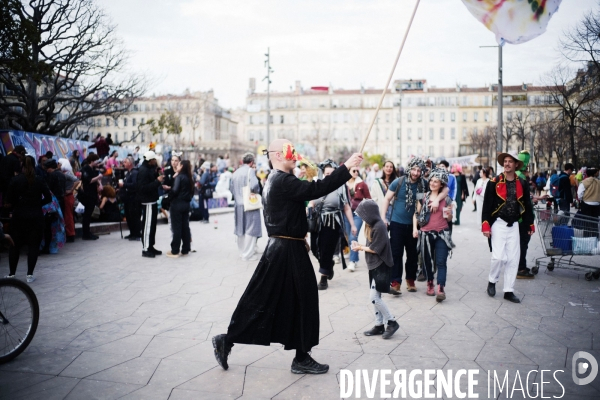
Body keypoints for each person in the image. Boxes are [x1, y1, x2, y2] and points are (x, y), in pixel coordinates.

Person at [212, 139, 363, 375]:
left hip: (283, 247)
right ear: (277, 156)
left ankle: (231, 341)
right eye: (290, 152)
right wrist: (346, 168)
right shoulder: (283, 180)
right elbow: (316, 189)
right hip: (285, 250)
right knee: (300, 300)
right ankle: (299, 356)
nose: (295, 157)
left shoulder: (274, 179)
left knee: (268, 299)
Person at [380, 157, 448, 294]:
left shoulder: (423, 184)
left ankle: (410, 280)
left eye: (419, 170)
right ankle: (396, 282)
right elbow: (387, 199)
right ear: (409, 168)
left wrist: (438, 200)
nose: (416, 173)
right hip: (397, 223)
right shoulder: (398, 182)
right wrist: (383, 218)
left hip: (415, 225)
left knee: (412, 254)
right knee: (396, 253)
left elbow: (444, 188)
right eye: (414, 169)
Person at [482, 152, 534, 304]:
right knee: (498, 257)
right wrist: (485, 224)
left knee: (513, 259)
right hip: (498, 222)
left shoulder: (522, 183)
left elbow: (527, 205)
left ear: (516, 164)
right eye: (505, 161)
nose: (507, 164)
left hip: (515, 224)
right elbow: (487, 205)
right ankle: (492, 281)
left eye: (510, 161)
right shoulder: (494, 182)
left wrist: (529, 224)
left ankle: (508, 291)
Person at [352, 199, 399, 339]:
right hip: (374, 265)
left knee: (374, 298)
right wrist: (359, 244)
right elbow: (371, 246)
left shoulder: (379, 226)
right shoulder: (370, 225)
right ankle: (379, 325)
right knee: (376, 297)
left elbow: (375, 249)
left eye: (363, 215)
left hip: (381, 265)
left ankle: (392, 321)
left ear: (370, 214)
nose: (361, 218)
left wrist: (359, 247)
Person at [5, 156, 52, 282]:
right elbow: (48, 198)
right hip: (36, 217)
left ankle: (11, 274)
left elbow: (9, 200)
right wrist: (37, 204)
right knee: (33, 246)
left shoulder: (15, 180)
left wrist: (17, 205)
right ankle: (30, 274)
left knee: (14, 245)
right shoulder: (39, 180)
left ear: (22, 165)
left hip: (19, 216)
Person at [312, 160, 357, 290]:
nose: (329, 176)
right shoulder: (317, 184)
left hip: (332, 221)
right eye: (327, 174)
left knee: (326, 249)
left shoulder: (341, 186)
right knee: (315, 248)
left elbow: (347, 207)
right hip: (317, 221)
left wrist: (352, 225)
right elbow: (311, 202)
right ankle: (328, 265)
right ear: (322, 173)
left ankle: (323, 277)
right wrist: (308, 210)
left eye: (332, 173)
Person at [413, 168, 454, 301]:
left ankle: (440, 288)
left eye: (436, 181)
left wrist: (449, 213)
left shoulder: (447, 199)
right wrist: (415, 228)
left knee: (441, 261)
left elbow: (449, 220)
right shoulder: (422, 197)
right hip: (425, 233)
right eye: (431, 180)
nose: (433, 183)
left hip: (442, 233)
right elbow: (416, 214)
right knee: (427, 262)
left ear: (441, 184)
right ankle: (430, 283)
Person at [231, 153, 262, 261]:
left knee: (240, 229)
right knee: (251, 228)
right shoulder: (250, 171)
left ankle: (241, 252)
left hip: (238, 204)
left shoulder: (235, 173)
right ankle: (247, 254)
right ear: (252, 162)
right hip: (249, 204)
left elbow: (231, 188)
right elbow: (254, 186)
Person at [137, 151, 164, 258]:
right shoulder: (143, 170)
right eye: (154, 160)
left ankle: (150, 246)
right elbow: (143, 188)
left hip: (152, 200)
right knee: (148, 225)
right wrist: (157, 181)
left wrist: (157, 174)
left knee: (152, 225)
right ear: (150, 160)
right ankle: (146, 248)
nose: (155, 162)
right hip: (147, 201)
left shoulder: (148, 168)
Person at [165, 160, 194, 257]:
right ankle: (186, 248)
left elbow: (175, 190)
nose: (177, 165)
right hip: (186, 204)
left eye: (179, 164)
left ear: (182, 166)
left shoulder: (179, 177)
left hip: (177, 205)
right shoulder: (189, 178)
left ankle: (175, 249)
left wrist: (169, 197)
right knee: (185, 227)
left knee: (176, 227)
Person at [345, 165, 371, 271]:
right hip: (345, 213)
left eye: (357, 171)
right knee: (347, 235)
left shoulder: (362, 184)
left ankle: (353, 261)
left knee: (353, 236)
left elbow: (369, 198)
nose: (356, 172)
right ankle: (352, 253)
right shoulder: (344, 184)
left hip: (357, 214)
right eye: (354, 171)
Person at [120, 156, 141, 240]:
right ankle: (132, 233)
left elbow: (135, 185)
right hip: (127, 198)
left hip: (134, 198)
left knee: (134, 216)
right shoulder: (128, 173)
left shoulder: (134, 173)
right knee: (129, 216)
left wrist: (124, 185)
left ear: (130, 163)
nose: (123, 164)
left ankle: (137, 233)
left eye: (125, 162)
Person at [58, 158, 79, 243]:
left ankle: (70, 234)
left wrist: (71, 190)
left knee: (68, 216)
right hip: (68, 196)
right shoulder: (66, 173)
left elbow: (77, 181)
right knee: (69, 215)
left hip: (68, 196)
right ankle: (70, 233)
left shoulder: (66, 174)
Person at [578, 167, 600, 237]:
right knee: (594, 223)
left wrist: (582, 199)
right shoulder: (598, 182)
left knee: (586, 223)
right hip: (597, 204)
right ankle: (595, 238)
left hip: (586, 204)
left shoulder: (584, 182)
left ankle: (587, 238)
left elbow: (580, 193)